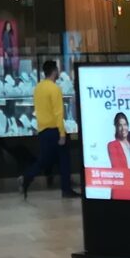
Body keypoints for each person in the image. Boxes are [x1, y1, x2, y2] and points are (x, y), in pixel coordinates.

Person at [20, 59, 76, 198]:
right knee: (64, 160)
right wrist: (62, 134)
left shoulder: (38, 88)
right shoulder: (55, 89)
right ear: (55, 71)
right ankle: (66, 189)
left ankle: (27, 176)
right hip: (55, 130)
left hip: (42, 130)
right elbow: (58, 113)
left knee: (44, 160)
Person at [105, 112, 130, 201]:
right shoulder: (112, 145)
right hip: (121, 189)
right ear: (116, 128)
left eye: (125, 125)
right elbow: (117, 168)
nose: (123, 128)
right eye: (120, 125)